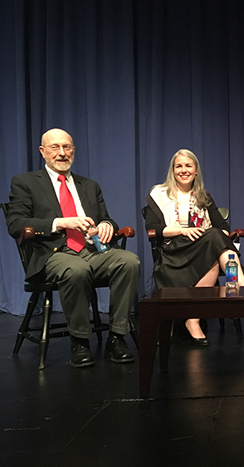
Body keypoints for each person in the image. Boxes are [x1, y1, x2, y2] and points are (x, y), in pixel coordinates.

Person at [6, 128, 140, 368]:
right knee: (76, 269)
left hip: (92, 250)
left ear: (74, 151)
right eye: (55, 147)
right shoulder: (25, 183)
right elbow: (16, 224)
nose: (61, 153)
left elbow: (107, 218)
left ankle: (117, 337)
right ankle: (80, 341)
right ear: (42, 151)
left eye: (67, 147)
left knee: (128, 261)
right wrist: (61, 223)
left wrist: (106, 226)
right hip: (52, 253)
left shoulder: (89, 185)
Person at [145, 149, 244, 346]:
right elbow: (153, 229)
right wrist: (182, 231)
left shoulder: (202, 196)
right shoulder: (159, 193)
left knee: (215, 239)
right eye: (179, 166)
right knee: (214, 238)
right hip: (174, 250)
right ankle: (238, 283)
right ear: (173, 170)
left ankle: (193, 319)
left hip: (202, 248)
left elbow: (223, 227)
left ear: (195, 170)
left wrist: (219, 237)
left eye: (188, 166)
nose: (184, 170)